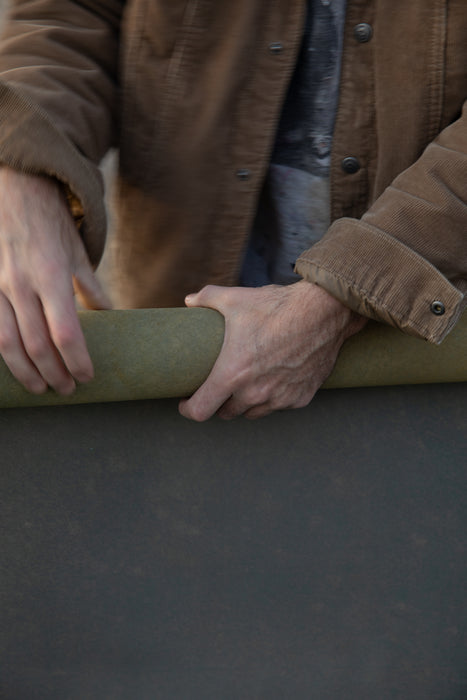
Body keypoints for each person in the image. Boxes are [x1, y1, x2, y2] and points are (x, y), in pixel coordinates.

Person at [0, 0, 465, 421]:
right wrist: (26, 168)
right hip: (173, 332)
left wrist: (351, 292)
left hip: (426, 368)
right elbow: (70, 16)